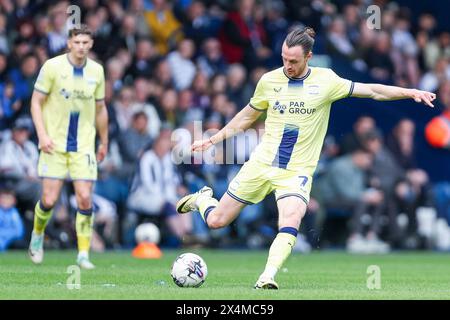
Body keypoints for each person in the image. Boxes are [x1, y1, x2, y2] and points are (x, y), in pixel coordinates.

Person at [175, 27, 436, 290]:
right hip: (262, 164)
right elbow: (246, 116)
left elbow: (372, 91)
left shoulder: (326, 81)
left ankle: (267, 276)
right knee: (216, 221)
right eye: (284, 59)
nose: (287, 65)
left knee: (290, 219)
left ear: (308, 57)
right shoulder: (269, 80)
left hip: (296, 172)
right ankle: (202, 199)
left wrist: (409, 92)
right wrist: (213, 138)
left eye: (293, 61)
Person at [28, 25, 108, 269]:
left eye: (86, 42)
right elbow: (36, 102)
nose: (81, 47)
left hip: (83, 145)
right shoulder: (52, 67)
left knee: (85, 198)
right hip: (53, 143)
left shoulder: (97, 71)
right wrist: (41, 135)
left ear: (91, 44)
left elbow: (101, 108)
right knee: (49, 199)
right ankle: (37, 236)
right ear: (69, 43)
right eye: (77, 42)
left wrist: (104, 141)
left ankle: (83, 254)